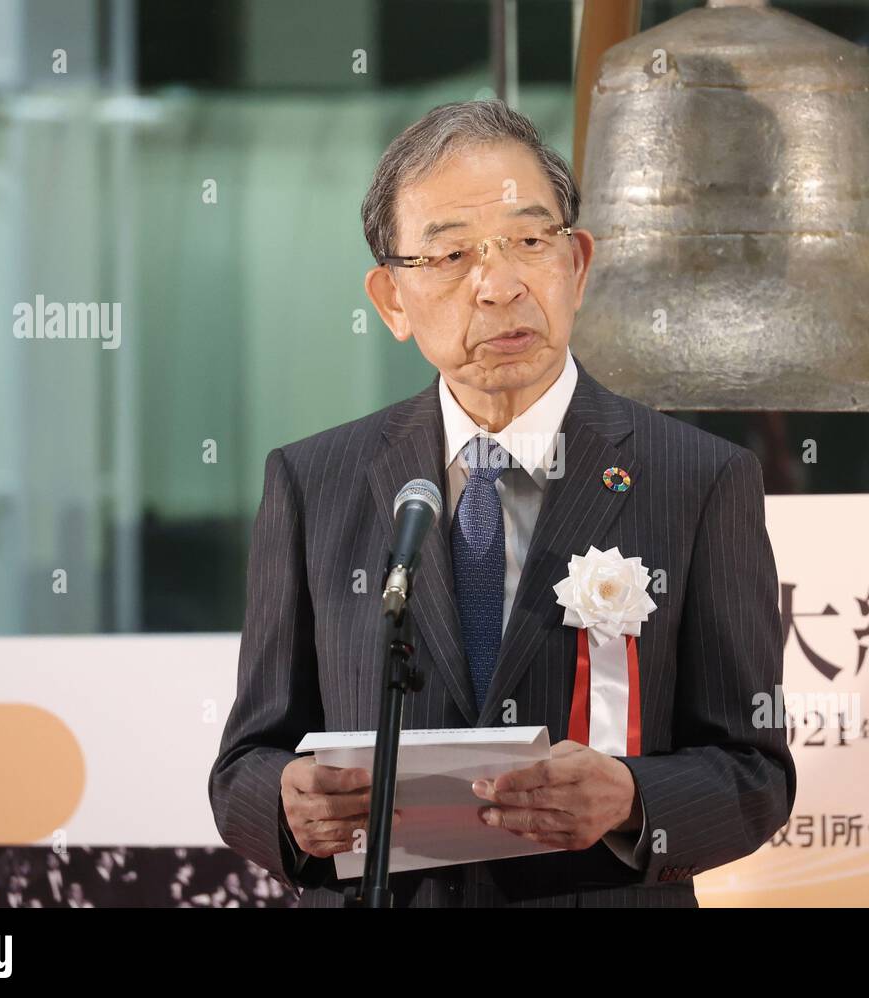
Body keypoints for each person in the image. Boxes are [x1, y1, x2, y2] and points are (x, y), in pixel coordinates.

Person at [209, 99, 795, 908]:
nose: (499, 284)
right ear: (390, 300)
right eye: (451, 254)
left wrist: (630, 800)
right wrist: (288, 802)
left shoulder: (698, 480)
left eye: (529, 240)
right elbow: (244, 765)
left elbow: (754, 772)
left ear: (578, 263)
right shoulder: (315, 483)